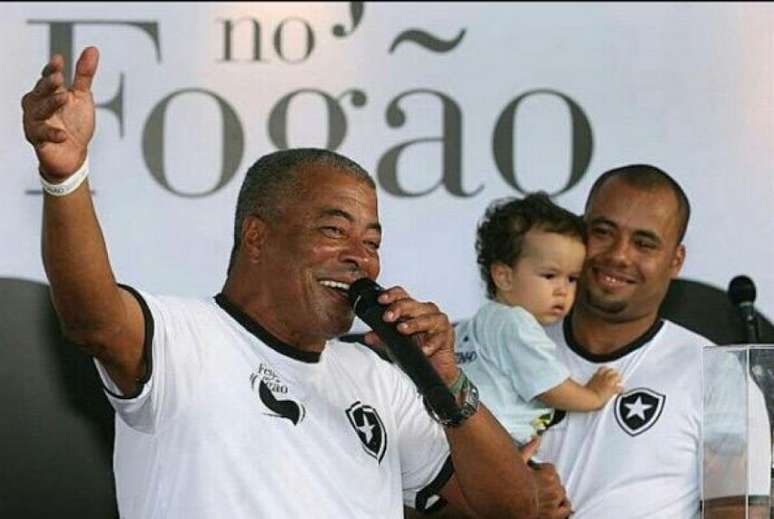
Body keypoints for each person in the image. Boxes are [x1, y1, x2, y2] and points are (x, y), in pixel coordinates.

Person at [21, 46, 558, 518]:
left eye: (372, 242)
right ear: (257, 237)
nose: (361, 260)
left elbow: (513, 508)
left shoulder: (379, 380)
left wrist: (447, 384)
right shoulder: (185, 339)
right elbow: (91, 318)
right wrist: (65, 177)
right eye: (333, 231)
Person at [534, 164, 771, 518]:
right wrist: (508, 501)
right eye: (602, 232)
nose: (619, 255)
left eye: (644, 243)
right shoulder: (509, 351)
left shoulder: (720, 377)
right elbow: (429, 502)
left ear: (676, 261)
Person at [454, 193, 623, 447]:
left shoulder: (478, 323)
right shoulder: (517, 324)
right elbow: (550, 386)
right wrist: (594, 395)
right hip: (497, 443)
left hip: (467, 440)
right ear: (504, 276)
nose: (562, 290)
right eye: (550, 275)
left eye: (572, 278)